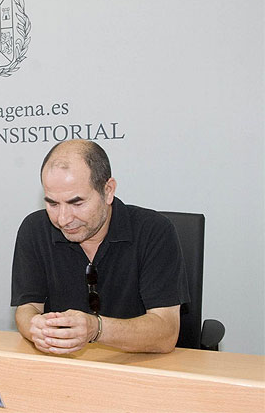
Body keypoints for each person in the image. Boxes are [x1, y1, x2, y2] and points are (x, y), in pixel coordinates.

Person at [11, 139, 189, 354]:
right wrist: (36, 328)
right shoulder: (34, 229)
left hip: (138, 362)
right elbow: (27, 308)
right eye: (53, 203)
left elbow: (166, 332)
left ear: (108, 190)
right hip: (63, 363)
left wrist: (96, 329)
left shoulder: (154, 231)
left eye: (77, 203)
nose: (64, 219)